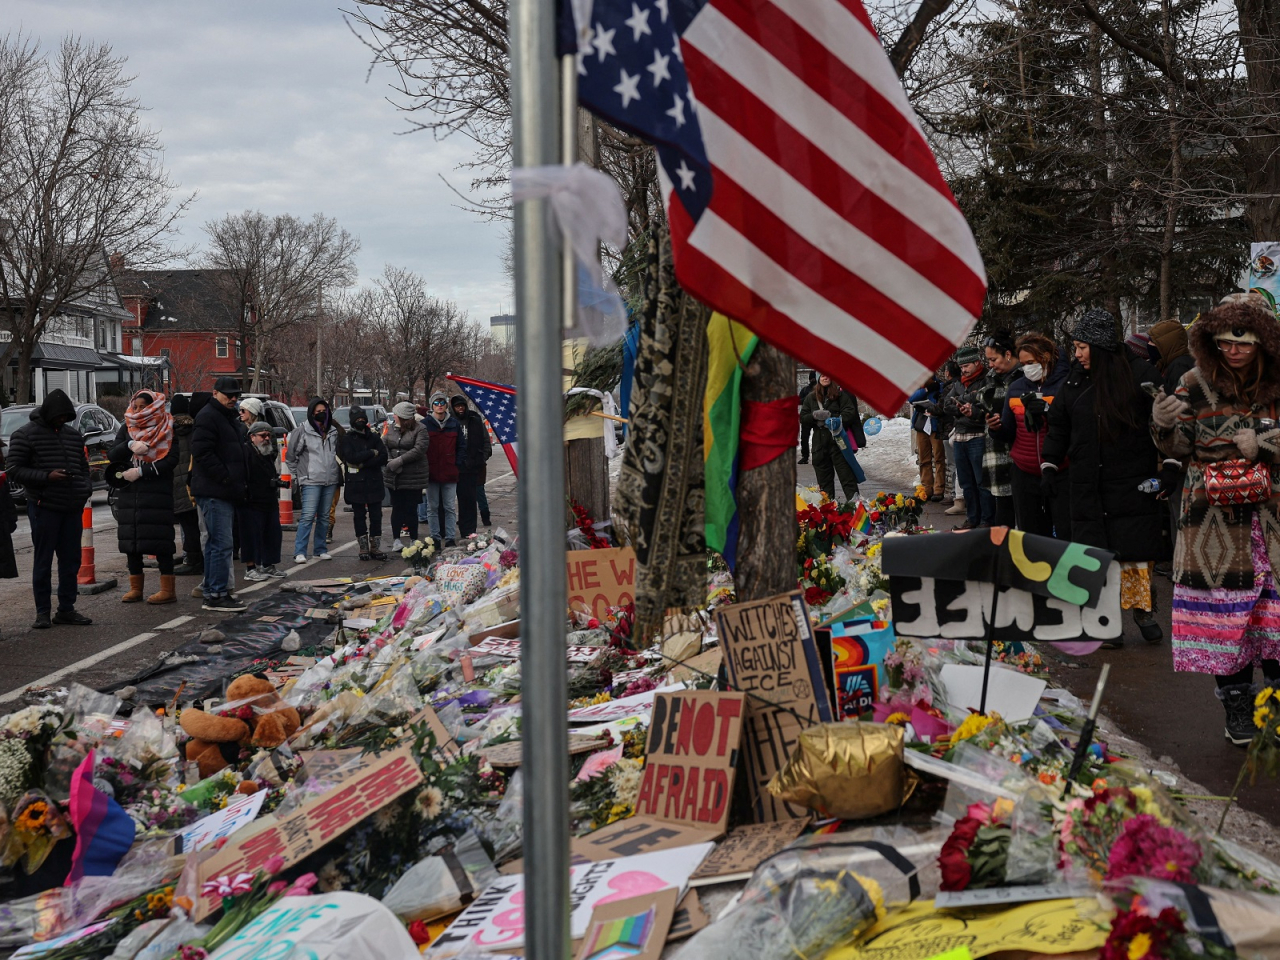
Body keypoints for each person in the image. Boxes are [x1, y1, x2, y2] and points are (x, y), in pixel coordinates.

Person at [1152, 296, 1280, 745]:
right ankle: (1238, 709)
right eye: (1224, 342)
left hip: (1274, 525)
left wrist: (1266, 442)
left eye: (1243, 342)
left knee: (1276, 623)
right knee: (1226, 628)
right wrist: (1164, 425)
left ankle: (1277, 707)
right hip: (1215, 529)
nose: (1234, 351)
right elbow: (1178, 447)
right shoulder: (1194, 381)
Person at [1042, 308, 1167, 646]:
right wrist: (1050, 464)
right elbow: (1059, 425)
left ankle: (1143, 613)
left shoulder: (1141, 376)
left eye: (1082, 346)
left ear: (1099, 346)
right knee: (1097, 557)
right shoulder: (1074, 381)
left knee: (1134, 555)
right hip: (1087, 484)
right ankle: (1107, 622)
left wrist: (1168, 465)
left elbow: (1165, 426)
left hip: (1130, 482)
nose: (1077, 353)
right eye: (1075, 346)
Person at [7, 389, 93, 628]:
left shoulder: (73, 436)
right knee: (43, 561)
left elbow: (83, 466)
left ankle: (66, 609)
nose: (62, 421)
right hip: (44, 507)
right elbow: (14, 469)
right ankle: (42, 612)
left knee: (71, 560)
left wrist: (84, 488)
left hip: (72, 506)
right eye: (59, 417)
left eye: (66, 417)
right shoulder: (24, 435)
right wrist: (47, 476)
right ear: (48, 414)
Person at [991, 333, 1071, 538]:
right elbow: (1010, 432)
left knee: (1065, 534)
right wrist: (996, 428)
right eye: (1024, 363)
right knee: (1031, 537)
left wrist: (1047, 411)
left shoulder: (1066, 385)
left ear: (1045, 358)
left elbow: (1074, 426)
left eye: (1031, 362)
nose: (1027, 368)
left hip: (1061, 471)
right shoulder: (1016, 388)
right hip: (1024, 473)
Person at [109, 390, 179, 605]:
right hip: (130, 494)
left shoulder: (167, 427)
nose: (138, 411)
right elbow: (112, 455)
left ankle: (167, 590)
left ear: (154, 407)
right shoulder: (127, 428)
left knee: (161, 541)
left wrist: (142, 472)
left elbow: (171, 460)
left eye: (142, 407)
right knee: (132, 540)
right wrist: (128, 445)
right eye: (136, 406)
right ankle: (135, 588)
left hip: (156, 492)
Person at [190, 377, 249, 613]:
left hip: (223, 489)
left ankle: (218, 591)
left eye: (236, 395)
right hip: (215, 490)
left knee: (221, 544)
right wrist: (226, 477)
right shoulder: (208, 416)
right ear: (215, 393)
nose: (233, 399)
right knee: (220, 544)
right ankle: (215, 593)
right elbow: (202, 453)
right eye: (228, 395)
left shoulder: (226, 417)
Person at [286, 397, 342, 563]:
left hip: (330, 480)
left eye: (323, 412)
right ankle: (300, 551)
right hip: (310, 481)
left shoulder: (332, 431)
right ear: (311, 413)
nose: (321, 414)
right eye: (317, 412)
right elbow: (291, 457)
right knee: (308, 516)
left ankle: (320, 549)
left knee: (324, 516)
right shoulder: (302, 431)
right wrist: (299, 476)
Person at [943, 346, 992, 529]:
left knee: (981, 482)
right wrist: (962, 409)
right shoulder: (958, 383)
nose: (963, 369)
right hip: (960, 436)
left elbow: (983, 402)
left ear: (977, 363)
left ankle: (987, 520)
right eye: (961, 366)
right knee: (966, 483)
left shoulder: (986, 379)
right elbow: (947, 404)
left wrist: (966, 405)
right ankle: (972, 518)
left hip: (977, 436)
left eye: (966, 366)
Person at [800, 374, 866, 502]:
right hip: (819, 444)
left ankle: (856, 510)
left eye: (828, 375)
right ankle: (828, 512)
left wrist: (838, 421)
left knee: (848, 479)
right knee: (824, 484)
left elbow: (850, 412)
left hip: (838, 442)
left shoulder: (840, 396)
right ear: (818, 378)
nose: (825, 377)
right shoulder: (810, 398)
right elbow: (803, 417)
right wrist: (814, 416)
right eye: (822, 375)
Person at [339, 405, 389, 560]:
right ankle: (363, 548)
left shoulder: (374, 437)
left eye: (363, 418)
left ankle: (375, 547)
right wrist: (370, 453)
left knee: (376, 516)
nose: (360, 420)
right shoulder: (347, 439)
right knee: (359, 516)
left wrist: (364, 463)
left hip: (374, 482)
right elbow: (350, 458)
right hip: (356, 484)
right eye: (357, 418)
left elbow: (383, 457)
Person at [981, 331, 1020, 527]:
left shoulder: (1023, 378)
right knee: (1003, 510)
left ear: (1007, 354)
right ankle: (1003, 554)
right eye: (988, 360)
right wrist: (973, 410)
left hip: (1020, 453)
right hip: (996, 452)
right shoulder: (991, 378)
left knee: (1024, 512)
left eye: (993, 359)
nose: (990, 365)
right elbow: (981, 401)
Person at [240, 421, 288, 580]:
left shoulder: (267, 453)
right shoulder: (246, 452)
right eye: (262, 435)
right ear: (252, 437)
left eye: (269, 435)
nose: (266, 438)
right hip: (252, 501)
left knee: (273, 534)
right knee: (252, 536)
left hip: (269, 500)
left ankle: (269, 565)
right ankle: (251, 568)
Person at [384, 400, 430, 547]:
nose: (394, 416)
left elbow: (419, 449)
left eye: (396, 414)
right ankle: (396, 539)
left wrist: (400, 461)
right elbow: (384, 443)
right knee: (397, 507)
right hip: (394, 477)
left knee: (411, 508)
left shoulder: (420, 429)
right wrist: (390, 461)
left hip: (413, 476)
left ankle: (413, 538)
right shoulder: (391, 428)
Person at [423, 391, 466, 546]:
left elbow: (461, 446)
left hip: (449, 472)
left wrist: (457, 463)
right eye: (436, 403)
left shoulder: (454, 424)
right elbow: (421, 447)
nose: (439, 406)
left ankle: (450, 538)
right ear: (432, 405)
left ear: (446, 405)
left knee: (449, 507)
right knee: (432, 507)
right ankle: (434, 537)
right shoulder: (425, 424)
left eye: (442, 403)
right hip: (432, 472)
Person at [170, 394, 203, 578]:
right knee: (196, 525)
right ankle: (198, 558)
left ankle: (192, 560)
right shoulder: (195, 428)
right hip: (193, 483)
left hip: (176, 483)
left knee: (187, 525)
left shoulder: (169, 430)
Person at [451, 394, 491, 537]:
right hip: (455, 467)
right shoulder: (450, 421)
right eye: (457, 406)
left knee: (472, 499)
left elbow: (486, 441)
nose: (460, 408)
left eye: (462, 405)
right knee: (452, 503)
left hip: (474, 466)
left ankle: (470, 530)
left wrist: (482, 457)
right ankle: (449, 532)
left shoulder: (474, 419)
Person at [908, 374, 947, 502]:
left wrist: (934, 389)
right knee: (924, 459)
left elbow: (943, 398)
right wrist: (925, 390)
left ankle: (939, 489)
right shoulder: (920, 386)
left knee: (938, 458)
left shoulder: (940, 385)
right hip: (922, 425)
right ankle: (926, 488)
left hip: (935, 425)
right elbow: (911, 398)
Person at [938, 361, 965, 516]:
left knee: (955, 465)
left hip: (952, 428)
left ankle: (957, 496)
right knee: (955, 465)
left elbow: (943, 407)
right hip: (952, 429)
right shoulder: (954, 386)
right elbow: (946, 405)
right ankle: (957, 497)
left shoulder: (953, 386)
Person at [798, 371, 817, 464]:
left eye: (814, 378)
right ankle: (805, 456)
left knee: (819, 437)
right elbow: (799, 400)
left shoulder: (820, 389)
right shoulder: (805, 390)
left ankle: (819, 455)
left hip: (817, 416)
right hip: (806, 416)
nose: (812, 380)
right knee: (804, 438)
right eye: (811, 378)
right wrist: (808, 398)